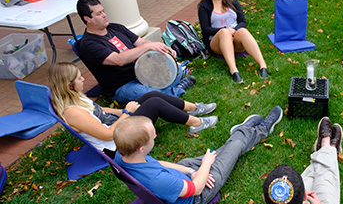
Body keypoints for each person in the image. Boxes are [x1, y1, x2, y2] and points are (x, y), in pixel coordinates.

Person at [113, 106, 283, 204]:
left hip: (180, 179)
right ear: (141, 148)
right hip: (197, 196)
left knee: (223, 153)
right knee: (234, 147)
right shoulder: (158, 180)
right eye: (152, 136)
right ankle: (260, 130)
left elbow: (157, 164)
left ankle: (241, 134)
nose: (156, 135)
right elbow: (196, 189)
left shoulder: (124, 156)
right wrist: (205, 165)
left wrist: (192, 171)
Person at [49, 62, 218, 156]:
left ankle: (192, 108)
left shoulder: (75, 97)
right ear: (69, 85)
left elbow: (101, 110)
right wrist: (128, 114)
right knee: (154, 104)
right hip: (116, 143)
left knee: (150, 96)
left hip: (118, 126)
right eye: (79, 79)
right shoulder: (72, 112)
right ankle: (196, 123)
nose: (83, 80)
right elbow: (107, 135)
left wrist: (121, 112)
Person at [76, 0, 196, 104]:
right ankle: (176, 88)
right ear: (88, 19)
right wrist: (146, 47)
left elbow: (142, 42)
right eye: (99, 13)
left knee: (174, 70)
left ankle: (171, 84)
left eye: (103, 11)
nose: (104, 15)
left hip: (143, 73)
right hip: (123, 85)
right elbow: (118, 60)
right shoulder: (88, 44)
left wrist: (160, 47)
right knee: (148, 94)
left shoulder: (116, 27)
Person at [197, 0, 268, 83]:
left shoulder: (232, 1)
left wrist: (234, 30)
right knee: (224, 32)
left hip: (235, 39)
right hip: (217, 42)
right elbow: (205, 30)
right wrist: (224, 30)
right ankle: (234, 71)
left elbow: (243, 22)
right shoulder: (204, 6)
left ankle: (263, 66)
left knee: (243, 31)